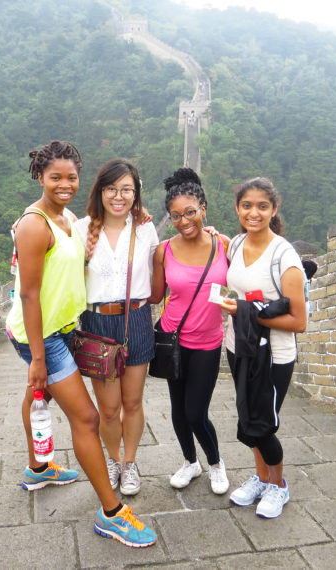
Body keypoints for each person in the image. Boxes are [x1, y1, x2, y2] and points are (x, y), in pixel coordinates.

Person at [5, 141, 156, 548]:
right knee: (88, 420)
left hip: (65, 329)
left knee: (41, 396)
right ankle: (112, 513)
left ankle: (39, 467)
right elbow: (29, 295)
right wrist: (38, 356)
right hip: (44, 336)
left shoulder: (69, 218)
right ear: (40, 177)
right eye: (55, 177)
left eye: (71, 177)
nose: (64, 184)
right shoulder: (35, 224)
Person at [219, 176, 307, 519]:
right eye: (246, 206)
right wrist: (231, 304)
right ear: (237, 208)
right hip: (238, 346)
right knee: (247, 419)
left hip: (273, 356)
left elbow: (298, 322)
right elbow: (235, 290)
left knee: (263, 425)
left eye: (262, 206)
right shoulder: (236, 244)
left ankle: (278, 485)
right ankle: (260, 477)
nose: (253, 213)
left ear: (274, 209)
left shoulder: (285, 259)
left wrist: (244, 312)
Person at [74, 158, 158, 496]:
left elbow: (173, 255)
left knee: (133, 402)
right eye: (112, 189)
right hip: (96, 323)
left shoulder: (145, 229)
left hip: (136, 318)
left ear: (136, 194)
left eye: (126, 190)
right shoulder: (80, 230)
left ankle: (130, 462)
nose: (118, 196)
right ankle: (112, 459)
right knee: (108, 409)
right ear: (101, 191)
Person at [149, 168, 230, 495]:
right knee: (178, 410)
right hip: (172, 340)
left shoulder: (223, 244)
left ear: (204, 209)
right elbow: (155, 295)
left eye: (190, 213)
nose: (183, 221)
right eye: (175, 216)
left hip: (208, 343)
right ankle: (190, 462)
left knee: (196, 412)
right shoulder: (164, 250)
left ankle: (215, 463)